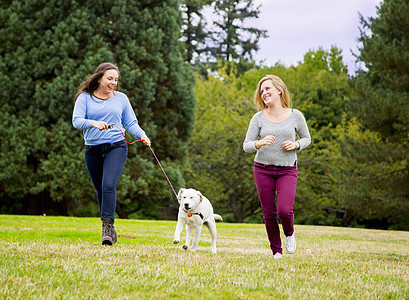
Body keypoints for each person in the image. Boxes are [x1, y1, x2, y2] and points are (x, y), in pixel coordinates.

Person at [72, 62, 151, 246]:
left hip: (117, 146)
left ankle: (107, 227)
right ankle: (109, 227)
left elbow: (130, 123)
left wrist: (142, 135)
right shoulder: (85, 98)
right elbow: (77, 121)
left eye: (116, 79)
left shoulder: (121, 99)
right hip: (92, 149)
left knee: (109, 185)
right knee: (100, 189)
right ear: (99, 78)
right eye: (109, 78)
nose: (113, 82)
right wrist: (93, 123)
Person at [243, 75, 311, 259]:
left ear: (279, 90)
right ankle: (276, 251)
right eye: (262, 91)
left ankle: (289, 233)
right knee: (269, 213)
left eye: (267, 89)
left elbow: (307, 138)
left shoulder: (296, 115)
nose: (264, 93)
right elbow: (246, 145)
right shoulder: (258, 118)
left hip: (287, 170)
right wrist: (259, 143)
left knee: (284, 210)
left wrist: (296, 145)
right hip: (262, 169)